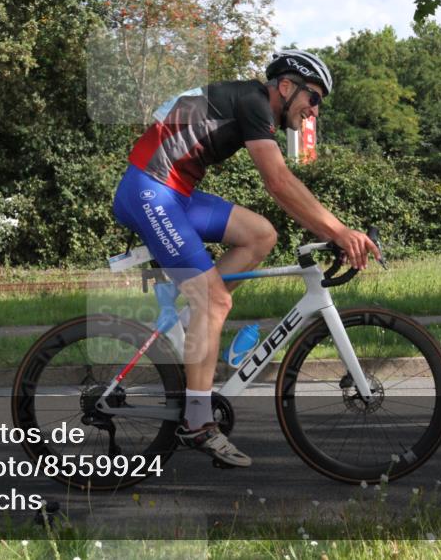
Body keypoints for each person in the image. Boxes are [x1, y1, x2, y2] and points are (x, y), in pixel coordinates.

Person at [111, 50, 381, 467]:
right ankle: (198, 422)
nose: (315, 110)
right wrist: (340, 232)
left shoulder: (251, 104)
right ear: (287, 88)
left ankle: (189, 321)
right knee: (216, 300)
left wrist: (335, 229)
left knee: (261, 234)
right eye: (314, 98)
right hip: (150, 190)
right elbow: (278, 181)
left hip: (175, 193)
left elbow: (280, 186)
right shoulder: (256, 102)